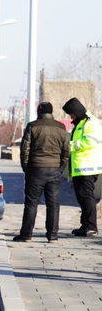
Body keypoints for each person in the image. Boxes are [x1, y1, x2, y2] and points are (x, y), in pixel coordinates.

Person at [13, 102, 69, 243]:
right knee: (53, 203)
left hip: (35, 169)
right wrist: (59, 168)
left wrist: (26, 167)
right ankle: (53, 236)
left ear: (39, 112)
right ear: (51, 112)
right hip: (54, 169)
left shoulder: (32, 126)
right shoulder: (61, 128)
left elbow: (25, 150)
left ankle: (26, 235)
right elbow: (66, 152)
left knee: (31, 203)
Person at [62, 97, 102, 237]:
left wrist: (69, 146)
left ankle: (91, 226)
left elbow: (88, 142)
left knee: (87, 197)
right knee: (82, 197)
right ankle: (85, 225)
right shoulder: (82, 123)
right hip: (81, 167)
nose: (71, 117)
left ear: (77, 112)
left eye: (71, 114)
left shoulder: (91, 123)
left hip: (87, 167)